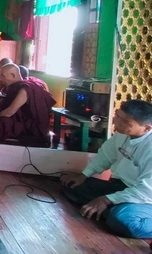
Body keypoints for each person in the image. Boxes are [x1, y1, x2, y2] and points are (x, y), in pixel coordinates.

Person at [61, 100, 152, 239]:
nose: (117, 122)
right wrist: (84, 174)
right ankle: (110, 210)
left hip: (145, 198)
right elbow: (106, 155)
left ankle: (114, 211)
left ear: (146, 128)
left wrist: (106, 200)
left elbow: (147, 190)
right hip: (121, 187)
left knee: (123, 220)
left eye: (125, 122)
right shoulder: (122, 133)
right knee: (72, 187)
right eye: (118, 115)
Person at [0, 63, 56, 146]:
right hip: (19, 120)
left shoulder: (25, 89)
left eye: (2, 76)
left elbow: (9, 111)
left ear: (13, 75)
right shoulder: (15, 86)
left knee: (3, 122)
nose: (0, 79)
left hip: (30, 128)